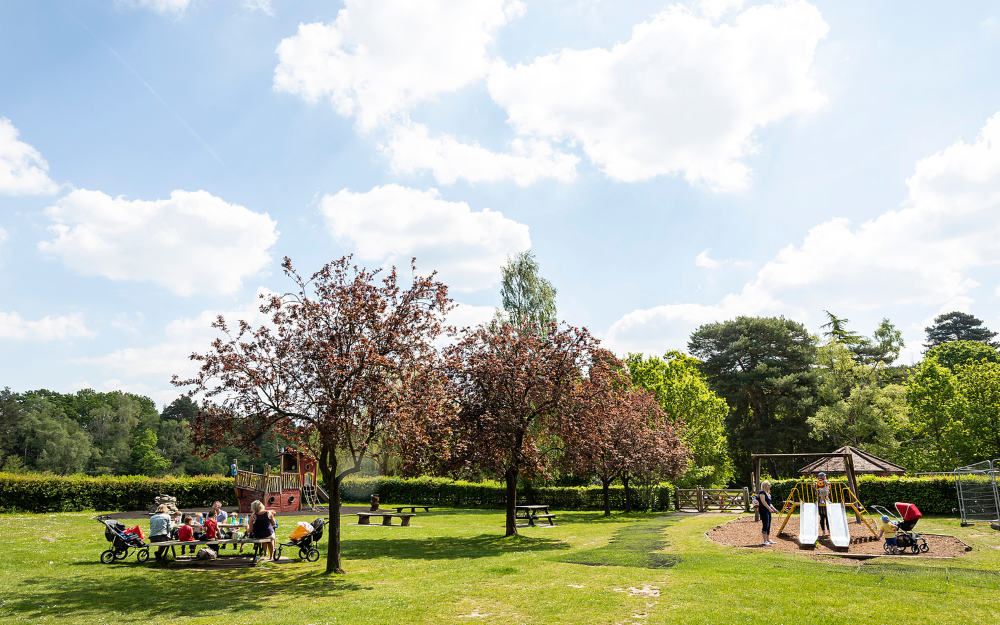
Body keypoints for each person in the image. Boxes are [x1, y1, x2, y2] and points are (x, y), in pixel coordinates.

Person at [758, 480, 780, 546]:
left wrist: (774, 509)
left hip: (767, 511)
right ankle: (765, 541)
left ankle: (768, 539)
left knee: (768, 525)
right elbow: (763, 501)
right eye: (768, 485)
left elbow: (769, 503)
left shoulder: (767, 493)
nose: (769, 486)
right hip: (763, 511)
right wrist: (769, 509)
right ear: (765, 486)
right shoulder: (762, 492)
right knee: (765, 524)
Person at [815, 472, 830, 537]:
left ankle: (825, 532)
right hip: (823, 502)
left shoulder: (817, 483)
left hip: (821, 501)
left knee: (823, 517)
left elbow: (817, 493)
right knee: (825, 517)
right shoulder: (823, 483)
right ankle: (826, 532)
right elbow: (817, 493)